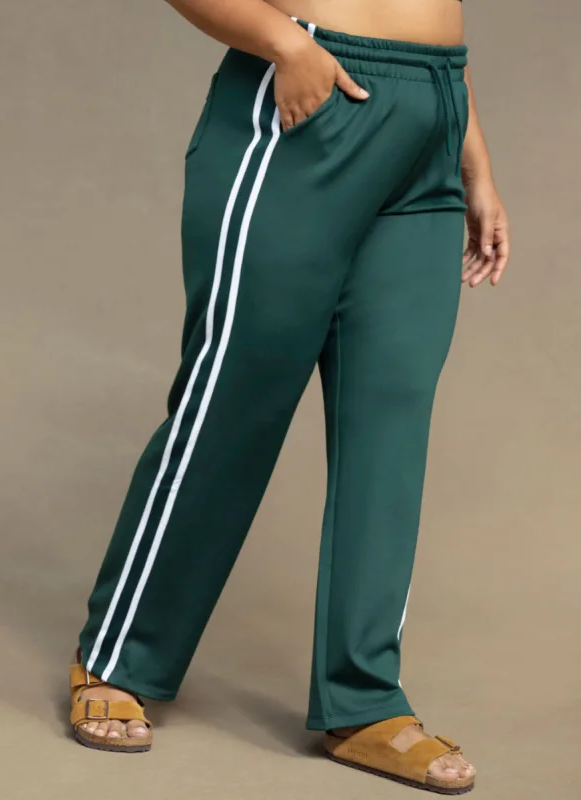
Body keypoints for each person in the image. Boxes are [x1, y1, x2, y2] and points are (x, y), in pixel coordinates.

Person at [69, 0, 509, 793]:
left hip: (436, 114)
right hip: (314, 96)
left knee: (390, 423)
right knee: (235, 401)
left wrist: (473, 161)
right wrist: (282, 43)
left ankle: (363, 702)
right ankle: (119, 657)